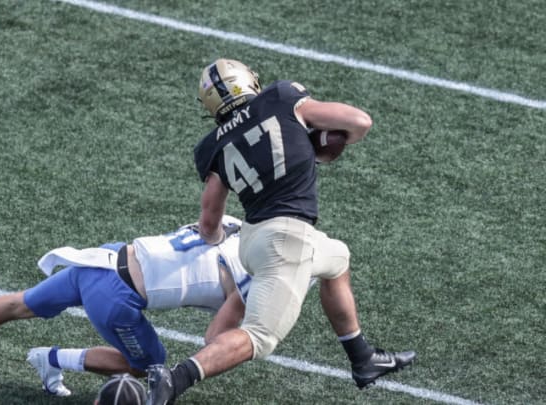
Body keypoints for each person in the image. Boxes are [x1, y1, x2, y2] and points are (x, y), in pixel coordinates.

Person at [146, 59, 416, 404]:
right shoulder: (280, 96)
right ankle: (173, 380)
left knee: (337, 258)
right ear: (249, 82)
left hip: (253, 237)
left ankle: (362, 357)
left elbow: (209, 221)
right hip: (287, 240)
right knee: (260, 336)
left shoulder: (211, 146)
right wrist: (311, 142)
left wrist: (215, 240)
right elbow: (360, 122)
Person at [0, 216, 250, 397]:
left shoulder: (235, 225)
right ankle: (52, 359)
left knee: (22, 303)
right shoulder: (254, 274)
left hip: (103, 258)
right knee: (153, 369)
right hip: (117, 296)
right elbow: (214, 338)